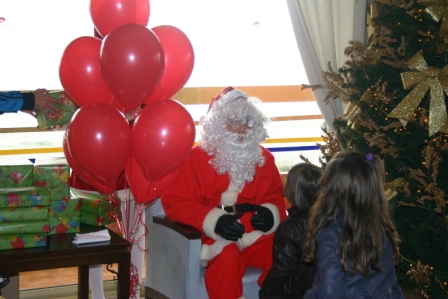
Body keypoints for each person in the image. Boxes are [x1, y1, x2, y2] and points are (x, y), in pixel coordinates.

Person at [161, 86, 288, 299]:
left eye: (247, 122)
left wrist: (270, 213)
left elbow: (274, 196)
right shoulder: (196, 158)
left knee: (288, 253)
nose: (241, 129)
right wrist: (215, 221)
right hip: (216, 236)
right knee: (226, 258)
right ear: (219, 124)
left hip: (255, 234)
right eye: (234, 121)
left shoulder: (264, 158)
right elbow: (175, 202)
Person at [302, 151, 405, 299]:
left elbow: (329, 294)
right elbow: (393, 288)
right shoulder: (381, 228)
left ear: (330, 189)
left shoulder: (330, 234)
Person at [259, 163, 322, 299]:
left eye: (288, 181)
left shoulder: (290, 228)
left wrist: (266, 290)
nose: (283, 183)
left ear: (294, 192)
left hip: (292, 293)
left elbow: (284, 268)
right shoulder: (327, 220)